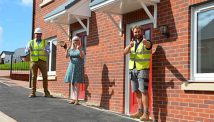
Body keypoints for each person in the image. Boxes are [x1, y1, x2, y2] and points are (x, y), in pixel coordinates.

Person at [124, 25, 152, 121]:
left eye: (139, 31)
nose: (137, 33)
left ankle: (146, 113)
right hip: (133, 70)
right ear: (133, 33)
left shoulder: (146, 42)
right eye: (135, 32)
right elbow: (124, 52)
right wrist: (129, 46)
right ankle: (139, 111)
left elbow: (149, 46)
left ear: (142, 32)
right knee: (136, 91)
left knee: (144, 91)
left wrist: (145, 42)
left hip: (143, 69)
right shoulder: (132, 43)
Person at [25, 27, 53, 98]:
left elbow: (49, 51)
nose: (38, 35)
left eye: (39, 34)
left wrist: (46, 51)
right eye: (37, 34)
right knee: (34, 77)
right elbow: (26, 51)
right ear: (35, 34)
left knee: (45, 77)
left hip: (42, 61)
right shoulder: (31, 42)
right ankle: (33, 93)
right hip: (34, 61)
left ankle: (46, 92)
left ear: (41, 35)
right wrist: (28, 50)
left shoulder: (45, 42)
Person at [64, 36, 85, 105]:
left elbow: (82, 56)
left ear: (79, 41)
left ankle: (77, 100)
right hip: (71, 66)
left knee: (77, 83)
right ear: (72, 41)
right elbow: (66, 57)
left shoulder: (81, 48)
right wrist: (67, 50)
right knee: (72, 83)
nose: (75, 41)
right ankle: (73, 99)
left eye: (77, 40)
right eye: (74, 40)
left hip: (78, 66)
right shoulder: (71, 49)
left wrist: (79, 50)